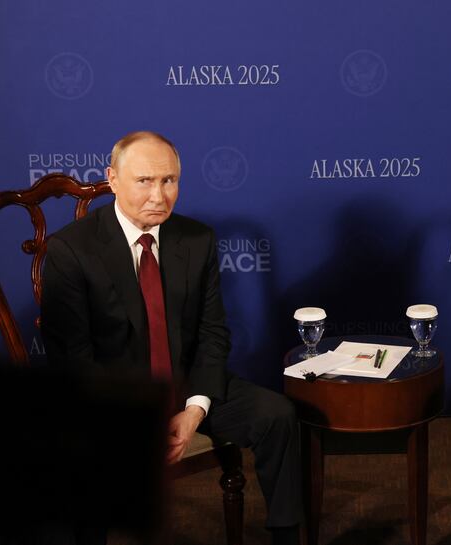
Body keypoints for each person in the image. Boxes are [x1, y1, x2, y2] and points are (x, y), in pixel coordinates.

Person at [41, 131, 302, 545]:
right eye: (144, 181)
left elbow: (213, 332)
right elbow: (74, 361)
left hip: (184, 385)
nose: (159, 196)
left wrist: (194, 410)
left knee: (277, 415)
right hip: (111, 401)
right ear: (112, 179)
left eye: (169, 181)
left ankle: (286, 537)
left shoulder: (197, 239)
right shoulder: (71, 250)